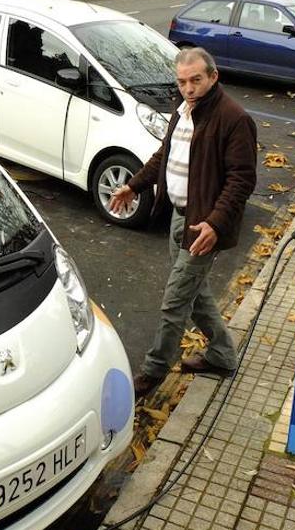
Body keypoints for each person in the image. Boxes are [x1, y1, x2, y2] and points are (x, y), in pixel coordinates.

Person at [108, 47, 257, 398]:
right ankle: (222, 355)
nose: (188, 88)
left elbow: (242, 180)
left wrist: (216, 224)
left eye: (196, 80)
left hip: (203, 227)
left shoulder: (234, 118)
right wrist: (133, 185)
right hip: (178, 216)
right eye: (182, 82)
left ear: (213, 76)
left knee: (175, 301)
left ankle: (152, 373)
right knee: (195, 293)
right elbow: (165, 155)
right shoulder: (183, 111)